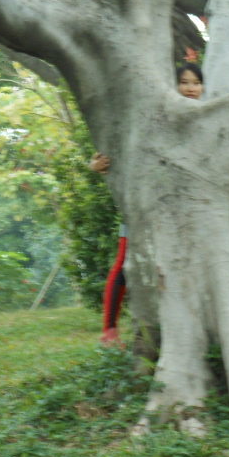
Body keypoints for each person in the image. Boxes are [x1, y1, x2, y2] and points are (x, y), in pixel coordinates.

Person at [93, 62, 203, 345]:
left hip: (190, 211)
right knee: (125, 263)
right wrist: (98, 165)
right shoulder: (154, 117)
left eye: (195, 82)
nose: (190, 88)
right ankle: (110, 329)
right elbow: (120, 152)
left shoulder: (205, 119)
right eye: (184, 82)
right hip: (144, 205)